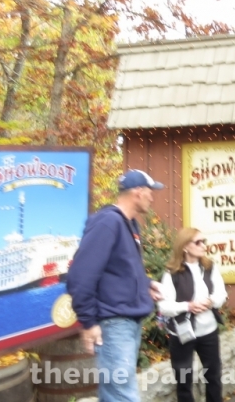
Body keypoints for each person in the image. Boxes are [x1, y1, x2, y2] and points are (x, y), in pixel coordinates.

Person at [67, 169, 165, 402]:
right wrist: (89, 322)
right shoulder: (108, 222)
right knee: (123, 395)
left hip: (128, 323)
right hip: (113, 324)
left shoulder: (130, 225)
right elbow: (80, 276)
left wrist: (146, 284)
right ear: (138, 193)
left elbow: (120, 269)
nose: (152, 197)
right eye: (150, 192)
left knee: (113, 395)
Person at [159, 228, 228, 402]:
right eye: (198, 242)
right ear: (184, 247)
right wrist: (187, 306)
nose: (203, 245)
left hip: (208, 331)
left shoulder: (209, 267)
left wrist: (210, 301)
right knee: (183, 381)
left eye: (203, 241)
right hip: (181, 334)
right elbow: (164, 306)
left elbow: (221, 294)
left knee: (213, 377)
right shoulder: (172, 273)